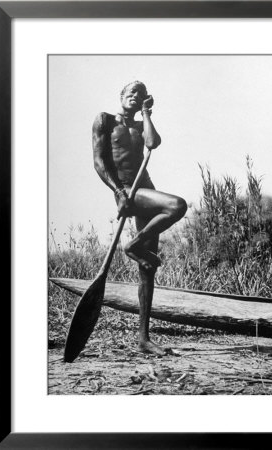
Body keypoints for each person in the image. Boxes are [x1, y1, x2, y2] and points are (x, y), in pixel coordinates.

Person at [92, 81, 187, 355]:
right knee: (177, 205)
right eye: (130, 93)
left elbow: (153, 143)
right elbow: (99, 162)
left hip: (145, 189)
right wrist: (118, 192)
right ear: (121, 96)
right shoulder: (105, 120)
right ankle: (133, 246)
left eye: (140, 95)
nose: (135, 97)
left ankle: (144, 339)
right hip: (127, 191)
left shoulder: (138, 125)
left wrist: (146, 115)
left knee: (147, 268)